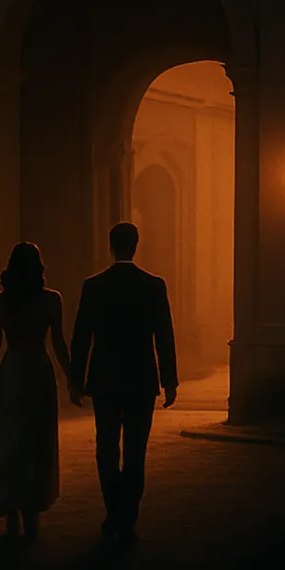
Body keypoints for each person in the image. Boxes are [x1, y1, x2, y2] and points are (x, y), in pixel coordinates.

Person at [70, 221, 177, 548]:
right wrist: (169, 380)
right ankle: (126, 517)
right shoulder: (153, 286)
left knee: (106, 449)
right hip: (141, 378)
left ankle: (113, 510)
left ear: (110, 246)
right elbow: (164, 335)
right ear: (136, 245)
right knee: (134, 453)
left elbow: (81, 336)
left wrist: (76, 379)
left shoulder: (93, 286)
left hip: (104, 379)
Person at [0, 241, 79, 541]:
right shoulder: (51, 300)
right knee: (36, 440)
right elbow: (58, 343)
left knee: (9, 439)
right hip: (39, 371)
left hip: (12, 370)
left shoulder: (0, 302)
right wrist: (71, 377)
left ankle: (11, 506)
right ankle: (31, 507)